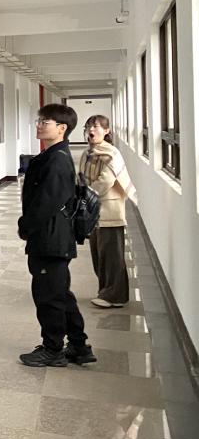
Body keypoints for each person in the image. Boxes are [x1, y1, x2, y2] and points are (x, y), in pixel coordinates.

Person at [18, 103, 96, 367]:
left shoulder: (57, 159)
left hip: (50, 238)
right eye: (39, 120)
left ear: (62, 128)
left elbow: (46, 202)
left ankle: (53, 349)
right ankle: (78, 346)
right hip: (52, 237)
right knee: (59, 292)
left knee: (48, 296)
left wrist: (25, 226)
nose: (39, 125)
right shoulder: (53, 155)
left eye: (45, 122)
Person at [80, 115, 134, 310]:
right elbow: (82, 177)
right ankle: (105, 291)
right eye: (88, 126)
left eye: (96, 126)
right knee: (98, 254)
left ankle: (116, 296)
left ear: (107, 130)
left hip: (109, 210)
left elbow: (105, 181)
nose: (91, 130)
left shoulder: (112, 154)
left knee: (112, 255)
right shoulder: (88, 152)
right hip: (93, 211)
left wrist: (86, 196)